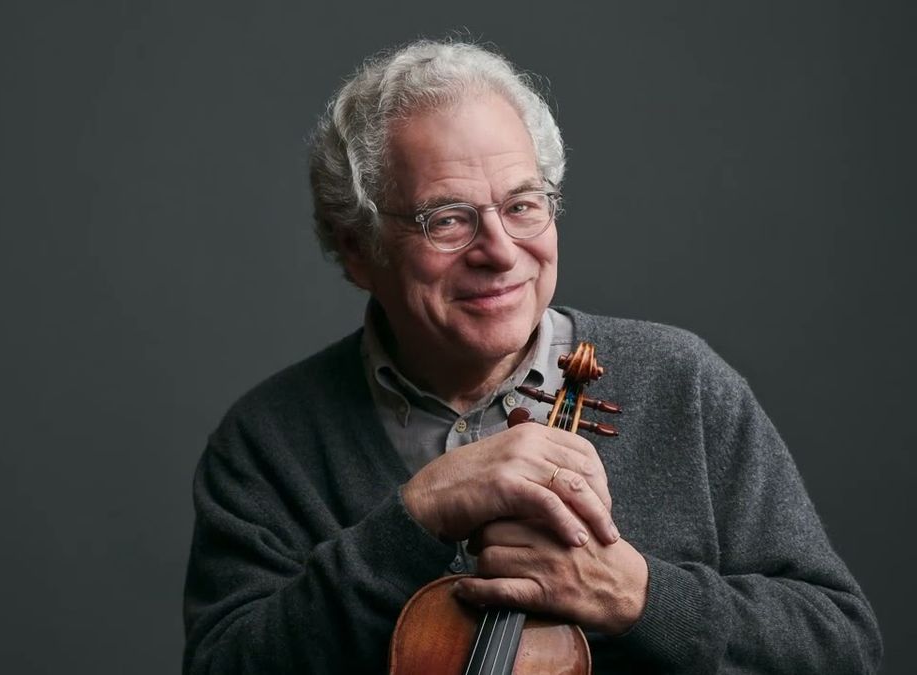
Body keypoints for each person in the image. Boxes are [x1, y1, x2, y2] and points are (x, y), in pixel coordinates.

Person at [182, 39, 882, 673]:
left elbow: (841, 643)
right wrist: (414, 520)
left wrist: (641, 595)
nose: (500, 251)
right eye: (448, 218)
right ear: (359, 249)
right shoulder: (268, 441)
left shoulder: (684, 383)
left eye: (522, 205)